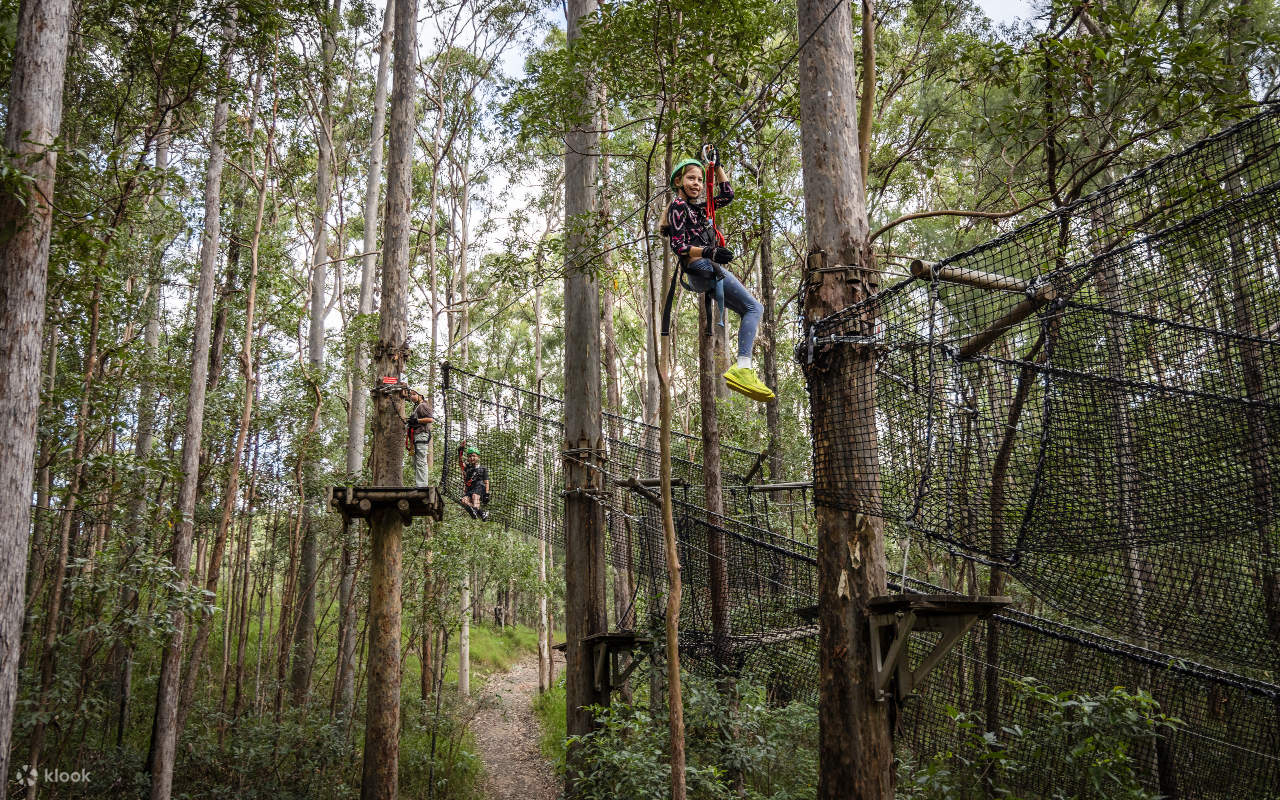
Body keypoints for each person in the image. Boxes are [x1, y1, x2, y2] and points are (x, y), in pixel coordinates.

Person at [663, 149, 775, 402]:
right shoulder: (678, 206)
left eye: (701, 180)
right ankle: (742, 368)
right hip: (699, 267)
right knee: (754, 307)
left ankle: (743, 368)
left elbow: (726, 195)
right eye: (692, 178)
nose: (697, 184)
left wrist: (717, 165)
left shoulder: (698, 209)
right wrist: (709, 251)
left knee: (751, 308)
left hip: (702, 272)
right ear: (679, 182)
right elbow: (678, 246)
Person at [405, 389, 434, 486]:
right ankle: (420, 484)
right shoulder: (417, 407)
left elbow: (430, 419)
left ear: (420, 395)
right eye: (411, 394)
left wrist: (417, 421)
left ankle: (422, 486)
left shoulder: (423, 405)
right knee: (416, 462)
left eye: (414, 394)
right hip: (416, 436)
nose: (411, 396)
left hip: (421, 435)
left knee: (421, 461)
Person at [457, 445, 490, 520]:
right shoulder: (467, 467)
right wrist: (460, 453)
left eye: (473, 456)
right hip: (470, 488)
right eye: (469, 456)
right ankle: (481, 513)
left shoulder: (483, 468)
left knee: (475, 496)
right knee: (464, 501)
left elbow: (486, 482)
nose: (471, 458)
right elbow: (461, 464)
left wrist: (487, 494)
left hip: (480, 487)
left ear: (478, 457)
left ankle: (475, 510)